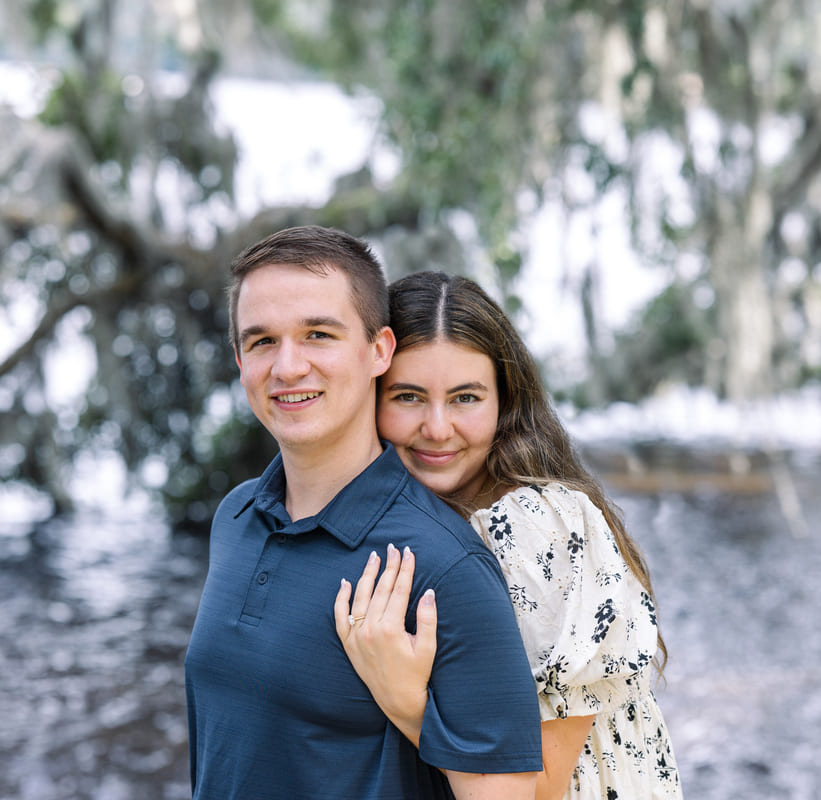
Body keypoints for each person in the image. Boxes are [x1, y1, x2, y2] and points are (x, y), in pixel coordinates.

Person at [184, 227, 543, 800]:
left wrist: (411, 707)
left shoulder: (445, 566)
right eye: (262, 342)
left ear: (380, 350)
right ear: (239, 360)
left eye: (318, 335)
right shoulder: (235, 517)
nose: (289, 366)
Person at [334, 271, 683, 799]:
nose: (436, 427)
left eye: (465, 398)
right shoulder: (401, 515)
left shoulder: (539, 528)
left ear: (505, 401)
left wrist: (407, 703)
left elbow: (542, 788)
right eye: (407, 396)